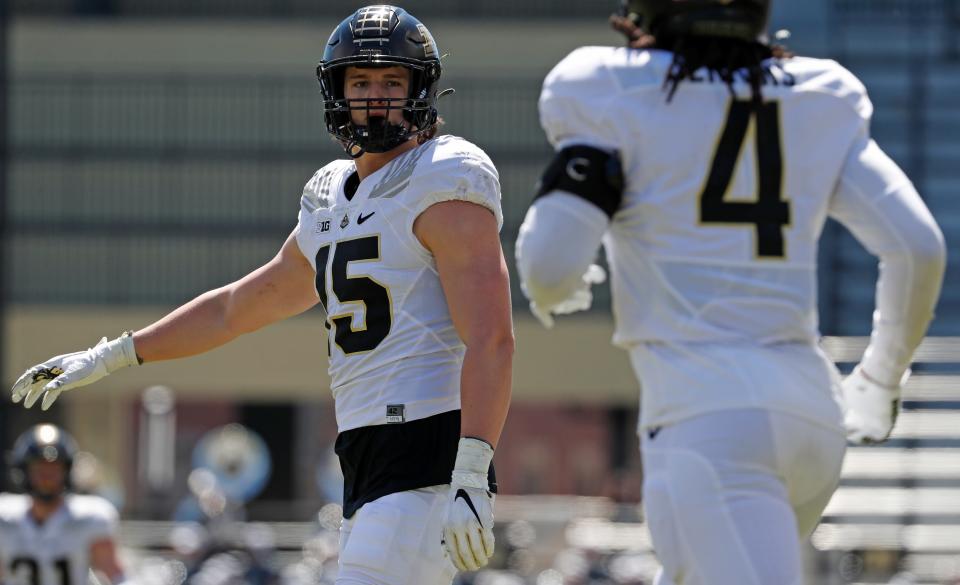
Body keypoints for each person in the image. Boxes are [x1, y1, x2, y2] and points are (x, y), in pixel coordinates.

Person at [10, 5, 514, 583]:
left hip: (427, 453)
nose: (375, 97)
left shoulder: (444, 175)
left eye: (391, 82)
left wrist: (472, 470)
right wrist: (114, 354)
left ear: (420, 89)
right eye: (361, 81)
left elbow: (492, 337)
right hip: (365, 457)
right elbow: (235, 308)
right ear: (337, 91)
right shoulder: (330, 197)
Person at [515, 1, 946, 583]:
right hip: (811, 413)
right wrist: (881, 377)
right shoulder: (818, 95)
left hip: (707, 420)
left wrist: (559, 287)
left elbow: (549, 264)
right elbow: (917, 247)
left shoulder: (612, 88)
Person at [0, 424, 127, 585]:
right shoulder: (5, 519)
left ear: (67, 471)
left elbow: (116, 575)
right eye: (39, 469)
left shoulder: (91, 518)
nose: (46, 478)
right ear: (24, 471)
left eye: (54, 469)